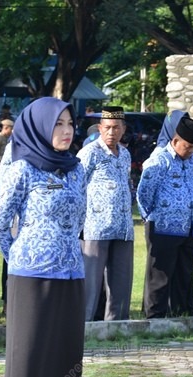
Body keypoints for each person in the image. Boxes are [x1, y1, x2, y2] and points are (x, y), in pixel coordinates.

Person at [0, 97, 90, 377]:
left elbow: (79, 219)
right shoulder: (21, 170)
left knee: (66, 360)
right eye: (57, 124)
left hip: (71, 273)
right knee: (28, 359)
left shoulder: (76, 170)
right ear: (38, 128)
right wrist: (21, 257)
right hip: (31, 276)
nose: (65, 132)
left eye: (69, 124)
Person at [137, 114, 193, 318]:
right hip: (163, 226)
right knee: (160, 276)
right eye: (187, 146)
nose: (191, 150)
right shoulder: (159, 160)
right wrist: (151, 218)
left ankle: (181, 314)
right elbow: (144, 193)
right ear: (175, 141)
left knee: (184, 274)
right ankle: (154, 317)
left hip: (188, 228)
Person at [78, 106, 134, 321]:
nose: (112, 132)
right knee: (91, 282)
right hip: (96, 226)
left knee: (121, 280)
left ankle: (117, 324)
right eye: (108, 128)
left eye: (116, 128)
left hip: (123, 228)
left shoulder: (125, 154)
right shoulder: (89, 152)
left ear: (123, 129)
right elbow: (76, 185)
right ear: (100, 128)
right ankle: (83, 324)